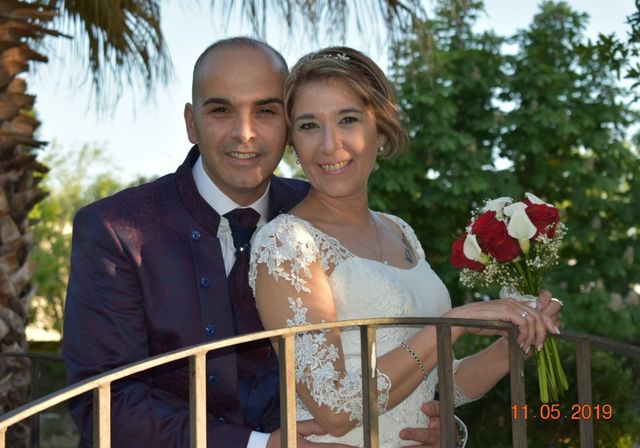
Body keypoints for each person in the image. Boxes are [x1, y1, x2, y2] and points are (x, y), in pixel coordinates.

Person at [62, 37, 444, 448]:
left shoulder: (321, 209)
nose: (245, 134)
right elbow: (101, 401)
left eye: (265, 111)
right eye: (221, 110)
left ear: (289, 126)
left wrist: (440, 427)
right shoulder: (116, 228)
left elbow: (390, 347)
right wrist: (258, 445)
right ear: (192, 123)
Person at [249, 46, 562, 447]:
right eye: (309, 126)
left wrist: (516, 342)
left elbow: (437, 381)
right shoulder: (286, 242)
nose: (329, 144)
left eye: (347, 119)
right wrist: (458, 321)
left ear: (380, 130)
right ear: (292, 140)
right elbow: (335, 407)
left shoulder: (400, 230)